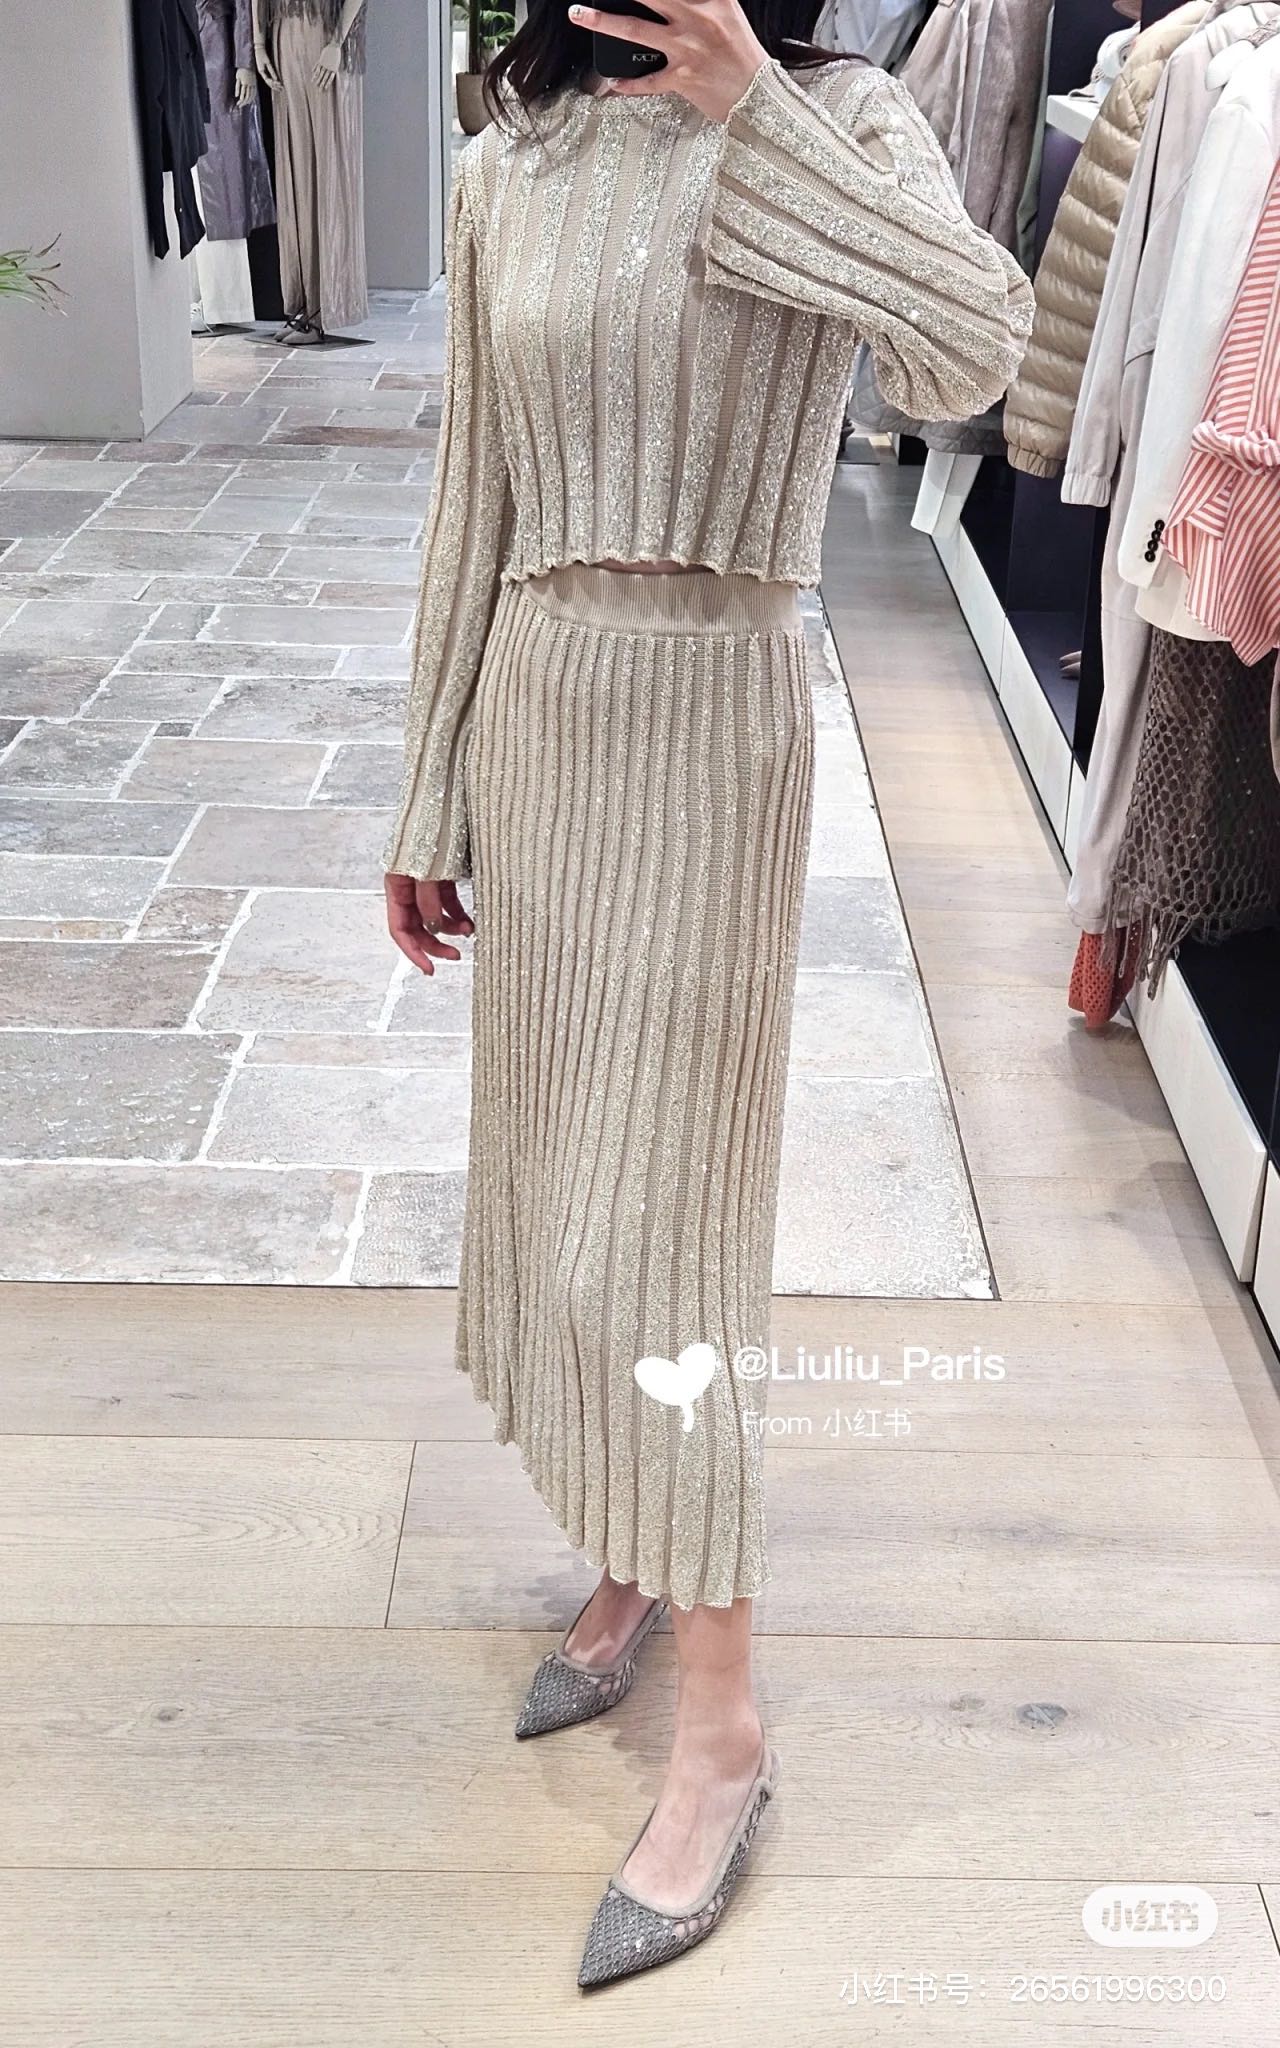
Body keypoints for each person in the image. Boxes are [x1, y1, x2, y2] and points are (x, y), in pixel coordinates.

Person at [384, 0, 1031, 1989]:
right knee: (565, 1188)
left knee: (668, 1218)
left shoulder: (843, 115)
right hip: (539, 710)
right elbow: (475, 496)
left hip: (711, 717)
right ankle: (633, 1548)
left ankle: (726, 1728)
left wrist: (761, 110)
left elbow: (975, 352)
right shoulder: (508, 158)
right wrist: (426, 787)